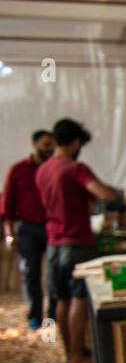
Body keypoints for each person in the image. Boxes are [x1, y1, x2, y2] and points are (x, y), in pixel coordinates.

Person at [34, 118, 123, 363]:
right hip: (77, 242)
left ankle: (69, 354)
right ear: (74, 143)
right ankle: (77, 357)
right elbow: (103, 194)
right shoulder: (75, 168)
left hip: (54, 243)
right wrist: (114, 192)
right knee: (80, 298)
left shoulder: (43, 170)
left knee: (61, 299)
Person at [2, 129, 57, 329]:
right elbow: (7, 205)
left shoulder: (55, 169)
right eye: (46, 145)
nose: (50, 149)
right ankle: (34, 315)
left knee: (54, 273)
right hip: (29, 228)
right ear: (35, 145)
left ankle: (53, 315)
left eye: (52, 145)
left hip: (53, 226)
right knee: (30, 272)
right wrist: (9, 233)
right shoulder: (18, 170)